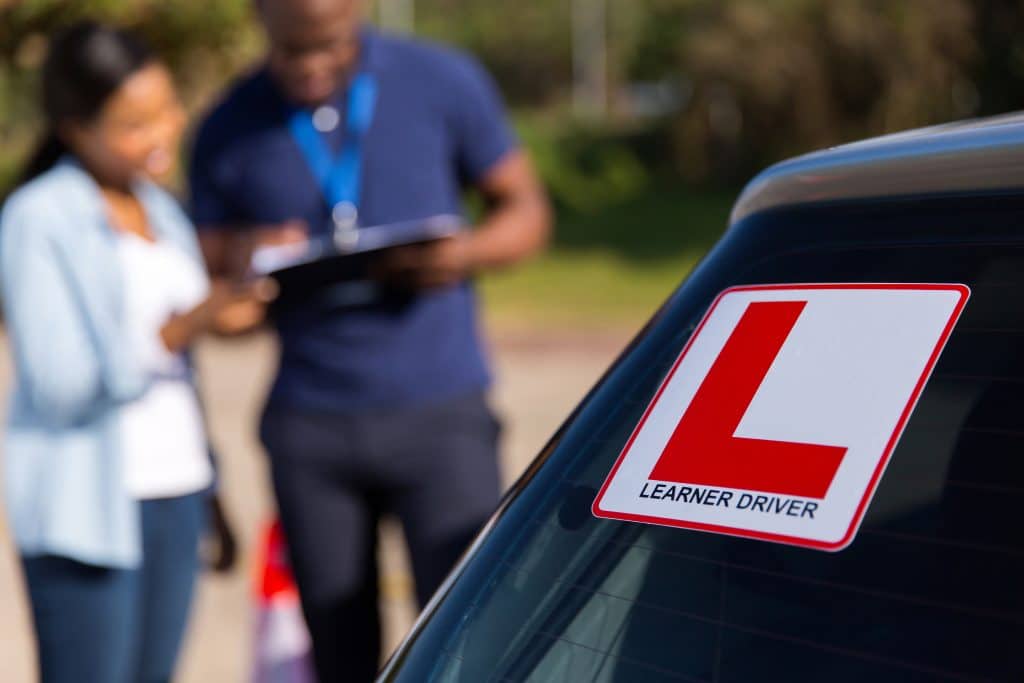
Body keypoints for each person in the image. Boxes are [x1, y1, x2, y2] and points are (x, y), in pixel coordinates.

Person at [188, 0, 552, 679]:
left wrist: (464, 252)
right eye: (293, 48)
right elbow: (210, 286)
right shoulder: (225, 125)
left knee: (463, 636)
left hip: (441, 412)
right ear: (257, 14)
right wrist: (246, 256)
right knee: (338, 648)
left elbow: (526, 211)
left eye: (327, 44)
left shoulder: (442, 80)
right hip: (312, 429)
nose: (312, 66)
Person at [0, 22, 272, 683]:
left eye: (166, 109)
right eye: (134, 123)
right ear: (75, 128)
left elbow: (180, 365)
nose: (162, 135)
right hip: (88, 509)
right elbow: (60, 382)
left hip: (176, 491)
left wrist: (234, 309)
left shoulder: (160, 207)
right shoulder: (39, 217)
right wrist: (181, 325)